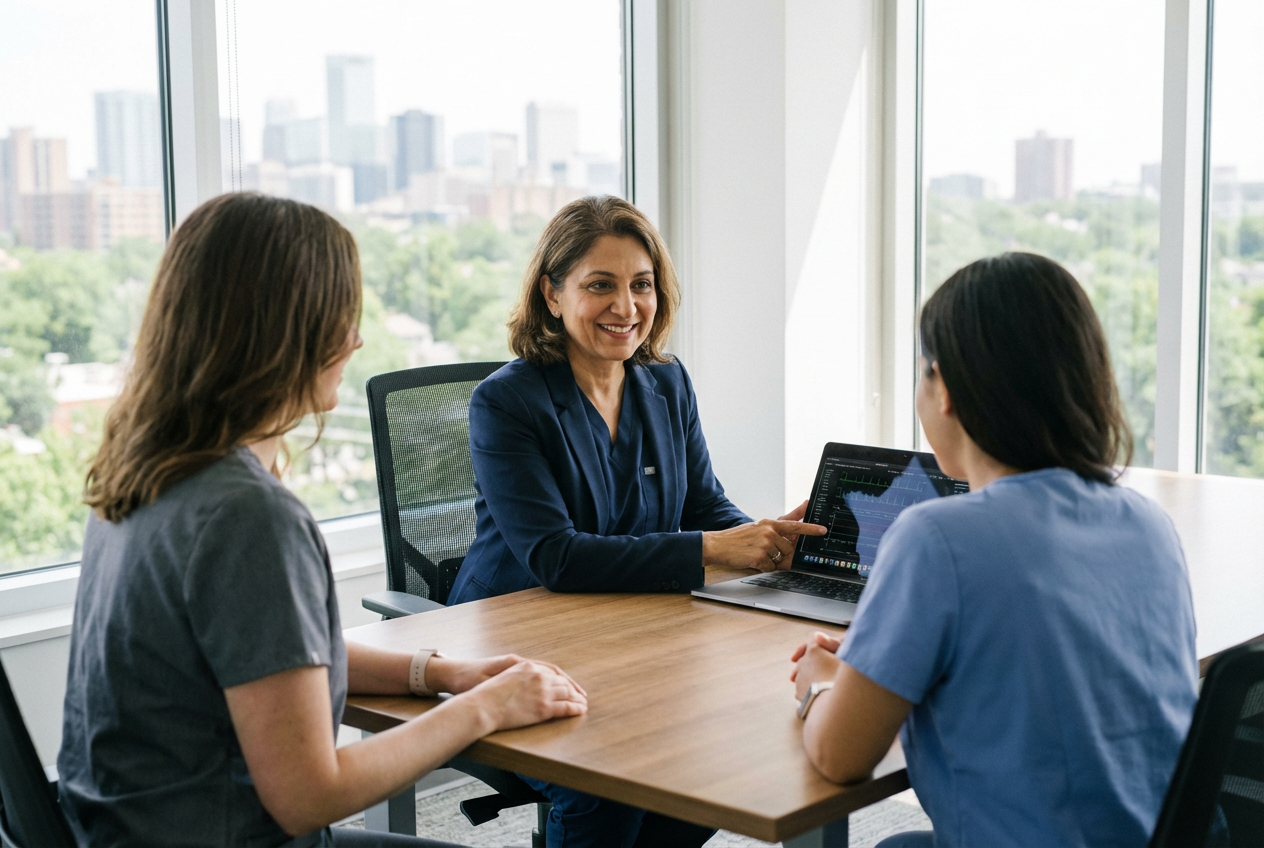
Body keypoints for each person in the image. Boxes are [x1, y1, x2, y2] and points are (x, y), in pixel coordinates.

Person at [58, 193, 588, 848]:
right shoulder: (248, 516)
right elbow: (310, 795)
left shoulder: (144, 471)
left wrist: (437, 672)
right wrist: (486, 708)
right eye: (342, 317)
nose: (355, 339)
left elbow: (273, 664)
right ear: (283, 332)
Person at [447, 195, 826, 847]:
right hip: (516, 644)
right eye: (601, 285)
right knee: (604, 783)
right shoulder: (507, 402)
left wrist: (767, 547)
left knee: (716, 756)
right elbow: (557, 558)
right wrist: (717, 548)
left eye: (641, 285)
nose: (627, 308)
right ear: (552, 294)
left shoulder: (665, 381)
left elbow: (704, 505)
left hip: (631, 639)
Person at [789, 252, 1199, 848]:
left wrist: (825, 682)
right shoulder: (1150, 524)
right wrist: (878, 659)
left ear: (945, 388)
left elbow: (839, 755)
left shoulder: (936, 538)